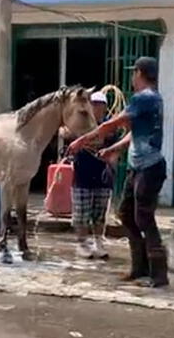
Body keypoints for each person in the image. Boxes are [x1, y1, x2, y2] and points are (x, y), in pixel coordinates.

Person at [67, 57, 168, 288]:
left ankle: (158, 274)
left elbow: (109, 125)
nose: (132, 78)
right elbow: (132, 133)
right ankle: (139, 268)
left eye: (134, 73)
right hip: (139, 167)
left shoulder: (145, 98)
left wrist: (81, 141)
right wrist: (112, 150)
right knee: (126, 214)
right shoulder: (153, 99)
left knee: (144, 217)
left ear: (139, 73)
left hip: (149, 168)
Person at [60, 91, 116, 259]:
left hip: (102, 176)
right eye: (94, 105)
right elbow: (63, 131)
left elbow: (115, 149)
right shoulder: (81, 125)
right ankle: (82, 244)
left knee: (99, 213)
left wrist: (111, 164)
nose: (97, 108)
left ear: (105, 108)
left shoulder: (110, 127)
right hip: (82, 175)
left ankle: (98, 242)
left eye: (100, 105)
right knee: (81, 214)